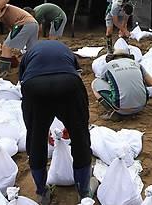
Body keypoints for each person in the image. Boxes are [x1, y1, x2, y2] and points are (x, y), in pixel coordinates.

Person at [19, 40, 97, 203]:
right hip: (68, 83)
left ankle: (42, 191)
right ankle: (83, 190)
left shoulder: (28, 56)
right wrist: (73, 123)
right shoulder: (66, 51)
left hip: (34, 86)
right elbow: (78, 76)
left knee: (35, 140)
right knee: (81, 138)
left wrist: (41, 127)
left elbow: (24, 83)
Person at [91, 45, 152, 120]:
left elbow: (102, 81)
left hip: (121, 109)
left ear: (113, 57)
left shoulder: (108, 65)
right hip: (141, 106)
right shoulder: (136, 64)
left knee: (95, 83)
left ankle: (111, 111)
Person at [0, 0, 39, 78]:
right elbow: (13, 32)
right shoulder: (3, 16)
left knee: (6, 47)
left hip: (24, 23)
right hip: (33, 24)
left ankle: (3, 74)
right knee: (31, 50)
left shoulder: (1, 6)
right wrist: (8, 43)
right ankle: (34, 69)